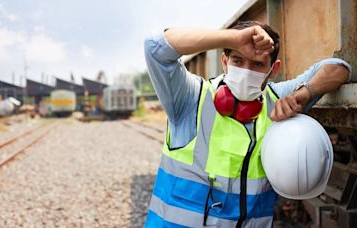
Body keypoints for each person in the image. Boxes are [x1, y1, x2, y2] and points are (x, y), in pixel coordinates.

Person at [143, 21, 351, 228]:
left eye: (258, 64)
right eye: (237, 60)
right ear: (224, 61)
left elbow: (340, 68)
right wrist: (232, 38)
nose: (246, 70)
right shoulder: (190, 99)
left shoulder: (277, 100)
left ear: (273, 70)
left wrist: (305, 93)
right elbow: (155, 47)